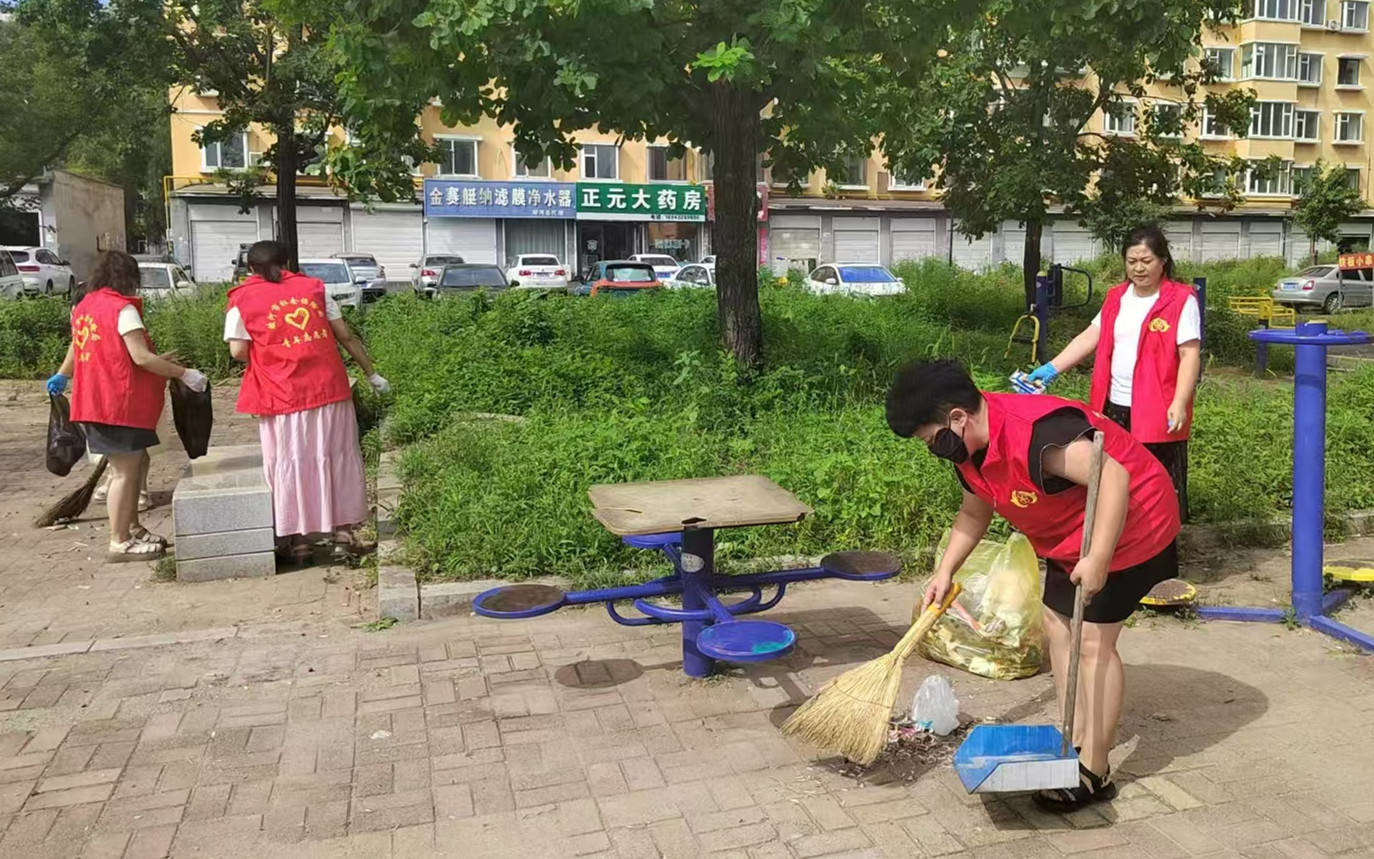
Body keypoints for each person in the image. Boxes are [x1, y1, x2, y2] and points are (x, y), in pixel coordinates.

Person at [889, 359, 1180, 812]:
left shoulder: (1037, 436)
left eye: (930, 439)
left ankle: (1094, 770)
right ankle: (1077, 736)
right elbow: (974, 512)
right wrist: (945, 571)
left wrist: (1099, 557)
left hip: (1131, 523)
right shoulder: (967, 451)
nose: (932, 449)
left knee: (1092, 644)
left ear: (957, 418)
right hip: (1070, 535)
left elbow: (1115, 477)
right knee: (1057, 626)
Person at [224, 240, 388, 564]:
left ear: (251, 268)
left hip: (280, 396)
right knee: (334, 456)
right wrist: (371, 374)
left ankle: (298, 541)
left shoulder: (241, 300)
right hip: (328, 391)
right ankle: (343, 534)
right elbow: (345, 336)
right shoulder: (315, 289)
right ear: (286, 263)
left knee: (290, 463)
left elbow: (238, 352)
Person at [1026, 225, 1201, 520]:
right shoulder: (1116, 297)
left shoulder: (1181, 300)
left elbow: (1189, 354)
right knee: (1113, 478)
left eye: (1146, 261)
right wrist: (1052, 367)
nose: (1139, 268)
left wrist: (1180, 401)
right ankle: (1119, 547)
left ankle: (1159, 552)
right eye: (1132, 262)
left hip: (1158, 409)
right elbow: (1090, 337)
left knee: (1156, 484)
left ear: (1163, 261)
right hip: (1113, 406)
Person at [46, 251, 207, 561]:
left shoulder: (86, 307)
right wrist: (184, 373)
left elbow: (76, 347)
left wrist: (63, 374)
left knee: (130, 470)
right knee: (123, 473)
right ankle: (119, 541)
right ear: (129, 279)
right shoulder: (122, 310)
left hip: (94, 400)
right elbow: (141, 357)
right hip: (118, 404)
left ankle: (132, 527)